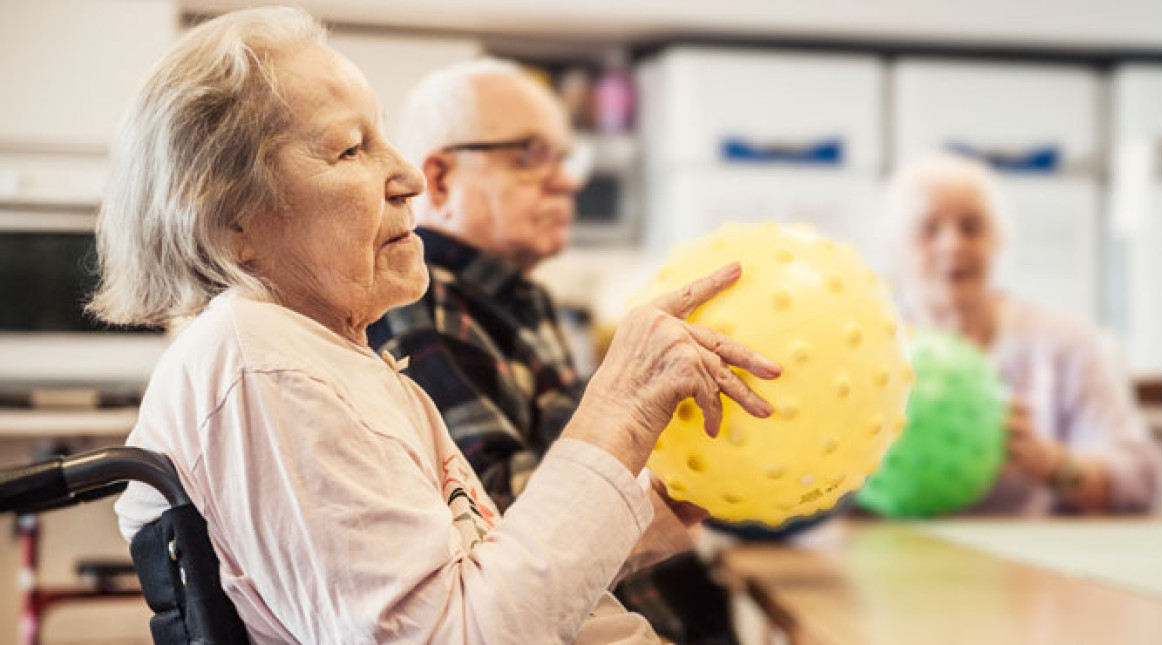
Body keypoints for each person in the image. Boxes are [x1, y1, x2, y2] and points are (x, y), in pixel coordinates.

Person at [96, 8, 781, 643]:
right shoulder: (262, 361)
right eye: (350, 150)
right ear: (229, 219)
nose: (408, 176)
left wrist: (634, 521)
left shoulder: (330, 357)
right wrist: (619, 412)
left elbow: (477, 587)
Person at [370, 60, 740, 645]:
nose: (566, 181)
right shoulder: (422, 307)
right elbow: (499, 529)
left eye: (564, 160)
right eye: (528, 156)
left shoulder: (521, 298)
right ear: (438, 180)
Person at [884, 153, 1162, 514]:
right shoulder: (870, 351)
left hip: (1032, 561)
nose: (953, 244)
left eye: (972, 227)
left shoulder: (1066, 341)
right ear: (894, 250)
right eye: (928, 229)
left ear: (1002, 241)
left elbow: (1143, 481)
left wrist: (1052, 464)